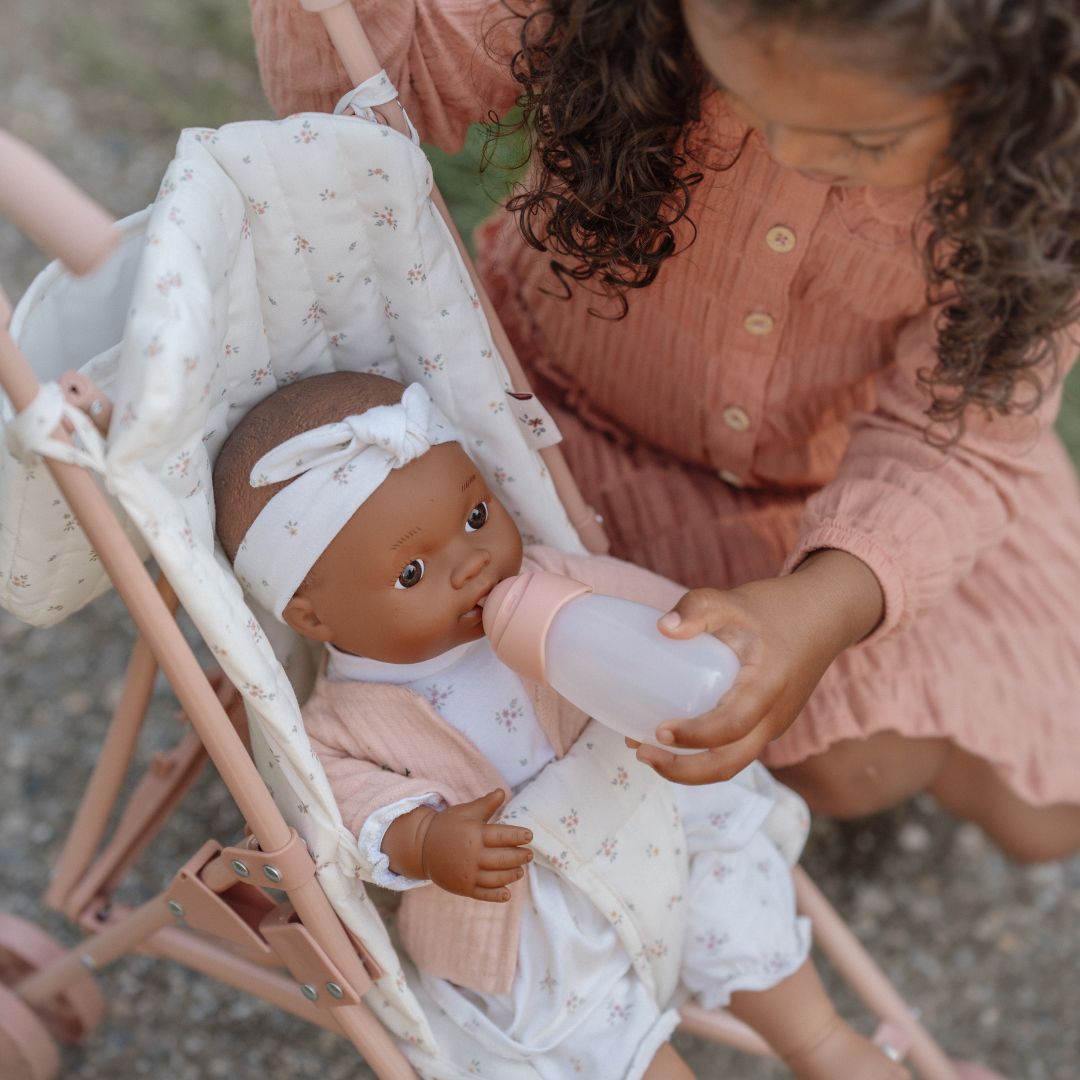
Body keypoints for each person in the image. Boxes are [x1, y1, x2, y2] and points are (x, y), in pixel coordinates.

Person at [249, 0, 1080, 861]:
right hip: (567, 431)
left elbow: (960, 436)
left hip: (843, 481)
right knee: (843, 762)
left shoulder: (1031, 183)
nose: (791, 150)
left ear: (1002, 99)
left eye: (864, 144)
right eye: (740, 90)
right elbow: (354, 107)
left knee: (1040, 820)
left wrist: (819, 609)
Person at [212, 370, 908, 1079]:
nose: (472, 564)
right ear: (313, 617)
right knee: (581, 1034)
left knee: (733, 889)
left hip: (647, 813)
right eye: (413, 572)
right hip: (527, 915)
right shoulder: (342, 721)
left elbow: (657, 613)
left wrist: (692, 646)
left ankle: (821, 1043)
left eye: (477, 516)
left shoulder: (552, 580)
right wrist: (421, 838)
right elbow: (340, 801)